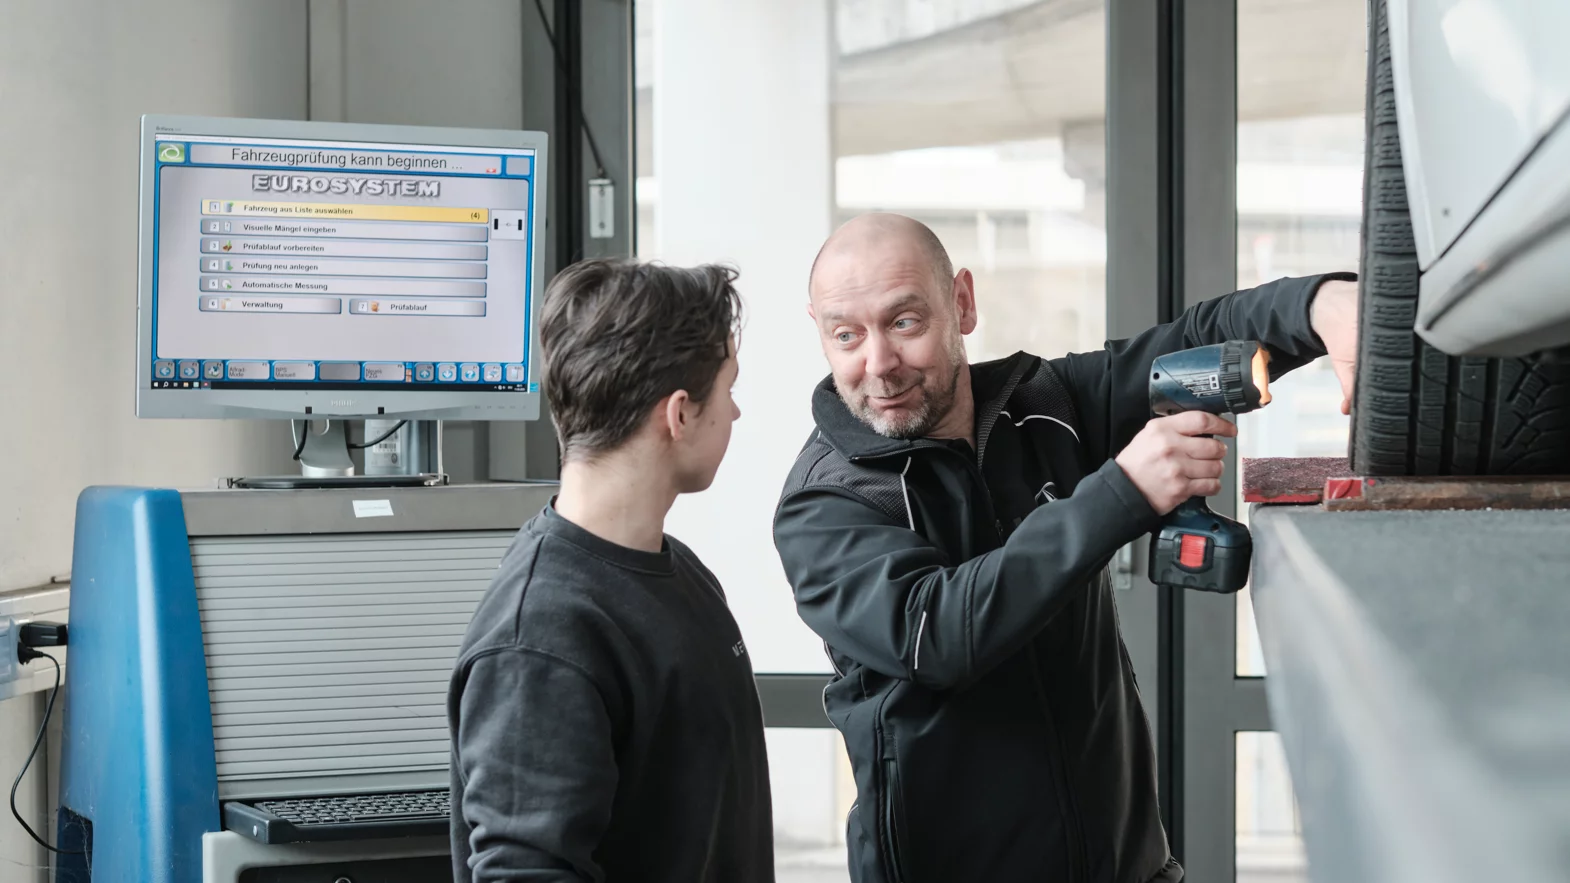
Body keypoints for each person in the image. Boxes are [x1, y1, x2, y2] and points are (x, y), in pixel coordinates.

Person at [773, 213, 1358, 883]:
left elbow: (1195, 343)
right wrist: (1123, 491)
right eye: (846, 334)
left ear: (961, 302)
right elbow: (938, 634)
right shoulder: (825, 503)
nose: (877, 363)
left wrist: (1320, 306)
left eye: (904, 323)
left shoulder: (1049, 405)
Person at [449, 259, 773, 883]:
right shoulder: (542, 637)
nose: (734, 414)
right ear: (678, 414)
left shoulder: (684, 576)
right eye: (729, 389)